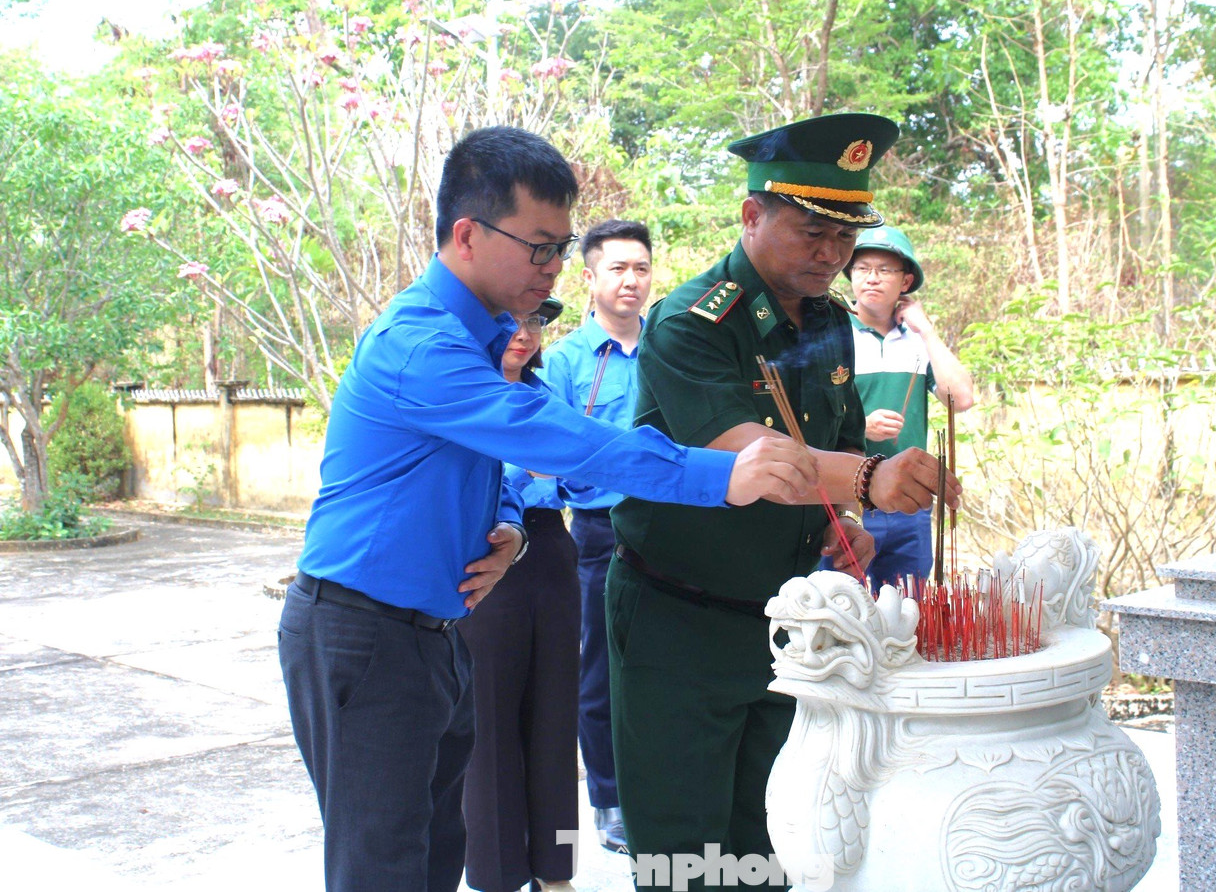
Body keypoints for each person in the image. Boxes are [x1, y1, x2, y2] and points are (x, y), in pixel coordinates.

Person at [277, 125, 819, 892]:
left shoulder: (486, 338)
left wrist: (502, 528)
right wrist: (717, 475)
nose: (553, 268)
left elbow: (492, 455)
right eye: (538, 247)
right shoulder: (420, 344)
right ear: (467, 234)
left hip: (435, 632)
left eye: (561, 247)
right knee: (381, 866)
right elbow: (558, 438)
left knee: (433, 855)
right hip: (364, 634)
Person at [606, 112, 964, 890]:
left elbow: (829, 441)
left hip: (787, 627)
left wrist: (851, 528)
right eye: (810, 232)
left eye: (844, 238)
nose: (830, 255)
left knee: (774, 846)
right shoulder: (691, 323)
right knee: (684, 857)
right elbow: (753, 453)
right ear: (751, 215)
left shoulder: (829, 323)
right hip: (680, 623)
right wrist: (869, 479)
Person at [458, 296, 584, 892]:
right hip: (488, 556)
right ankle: (497, 873)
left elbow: (576, 476)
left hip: (552, 551)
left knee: (557, 717)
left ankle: (555, 869)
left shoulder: (544, 398)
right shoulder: (463, 393)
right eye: (512, 321)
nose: (525, 333)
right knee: (490, 720)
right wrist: (524, 471)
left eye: (534, 321)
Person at [537, 218, 653, 854]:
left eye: (640, 267)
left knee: (664, 664)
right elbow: (542, 454)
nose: (631, 280)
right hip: (599, 533)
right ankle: (609, 800)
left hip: (669, 527)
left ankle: (658, 791)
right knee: (600, 669)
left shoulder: (668, 348)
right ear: (590, 278)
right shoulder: (565, 362)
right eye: (618, 268)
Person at [833, 226, 975, 590]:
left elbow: (961, 398)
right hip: (845, 497)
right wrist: (860, 426)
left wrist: (926, 330)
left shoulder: (916, 341)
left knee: (908, 608)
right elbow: (806, 417)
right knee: (841, 606)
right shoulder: (832, 333)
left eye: (885, 269)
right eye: (863, 268)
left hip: (909, 500)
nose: (872, 278)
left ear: (906, 280)